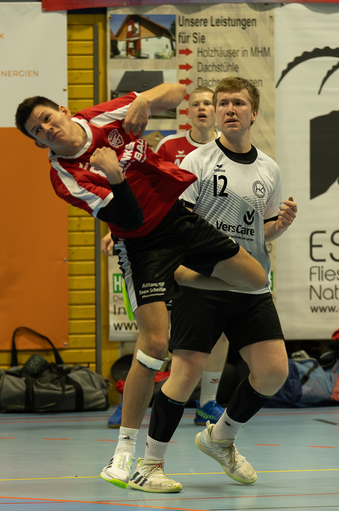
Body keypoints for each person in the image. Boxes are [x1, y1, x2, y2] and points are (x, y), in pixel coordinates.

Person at [15, 84, 268, 490]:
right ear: (38, 142)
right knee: (154, 344)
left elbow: (178, 91)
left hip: (178, 220)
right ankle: (123, 454)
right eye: (38, 131)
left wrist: (144, 100)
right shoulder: (65, 176)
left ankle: (179, 278)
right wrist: (114, 175)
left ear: (63, 111)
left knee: (255, 278)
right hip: (140, 245)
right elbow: (129, 218)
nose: (47, 129)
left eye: (47, 119)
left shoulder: (102, 117)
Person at [127, 76, 296, 493]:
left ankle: (220, 438)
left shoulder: (268, 169)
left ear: (254, 113)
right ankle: (148, 465)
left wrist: (281, 225)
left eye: (238, 103)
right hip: (202, 285)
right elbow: (177, 229)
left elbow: (260, 232)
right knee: (186, 372)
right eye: (223, 103)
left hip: (250, 288)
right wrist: (180, 272)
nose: (229, 109)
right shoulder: (196, 162)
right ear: (216, 113)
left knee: (273, 372)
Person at [103, 86, 227, 429]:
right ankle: (132, 400)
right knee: (153, 330)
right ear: (187, 111)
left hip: (207, 243)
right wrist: (116, 231)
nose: (202, 108)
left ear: (216, 111)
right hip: (167, 243)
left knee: (220, 321)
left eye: (208, 103)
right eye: (196, 103)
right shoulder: (169, 147)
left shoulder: (228, 148)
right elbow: (140, 188)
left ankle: (208, 402)